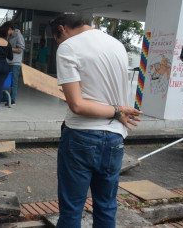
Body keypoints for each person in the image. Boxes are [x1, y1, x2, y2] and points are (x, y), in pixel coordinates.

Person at [49, 13, 142, 228]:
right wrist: (117, 112)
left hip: (82, 136)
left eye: (58, 38)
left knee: (72, 208)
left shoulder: (69, 47)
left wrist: (116, 110)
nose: (60, 43)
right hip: (115, 138)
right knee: (107, 206)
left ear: (62, 29)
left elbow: (78, 106)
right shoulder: (116, 44)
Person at [2, 21, 25, 106]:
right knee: (6, 80)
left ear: (10, 29)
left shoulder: (18, 36)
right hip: (8, 61)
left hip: (15, 62)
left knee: (14, 82)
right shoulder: (9, 36)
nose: (5, 33)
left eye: (6, 30)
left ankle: (12, 99)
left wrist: (9, 48)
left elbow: (20, 49)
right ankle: (5, 97)